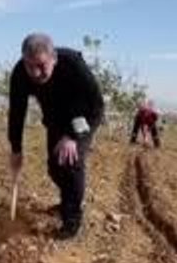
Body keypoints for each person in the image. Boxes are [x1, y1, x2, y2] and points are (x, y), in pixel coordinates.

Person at [8, 33, 105, 239]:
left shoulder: (72, 64)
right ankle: (68, 199)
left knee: (69, 161)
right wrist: (16, 149)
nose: (36, 73)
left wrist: (72, 136)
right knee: (54, 168)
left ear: (54, 58)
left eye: (42, 65)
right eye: (30, 66)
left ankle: (72, 218)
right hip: (54, 120)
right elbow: (17, 113)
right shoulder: (19, 74)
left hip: (82, 116)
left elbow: (97, 105)